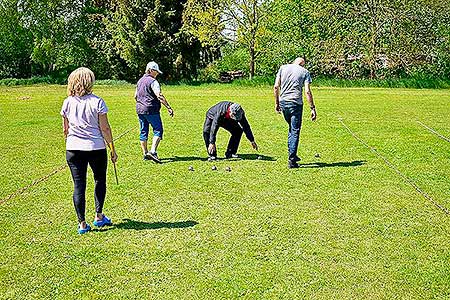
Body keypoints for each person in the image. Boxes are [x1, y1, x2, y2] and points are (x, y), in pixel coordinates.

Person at [61, 67, 118, 234]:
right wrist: (112, 148)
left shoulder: (67, 102)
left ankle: (82, 224)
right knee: (99, 180)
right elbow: (105, 128)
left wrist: (71, 143)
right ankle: (99, 217)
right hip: (95, 148)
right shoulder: (97, 102)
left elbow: (65, 129)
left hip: (73, 149)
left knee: (79, 185)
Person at [274, 57, 317, 168]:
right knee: (295, 130)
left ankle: (292, 153)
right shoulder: (305, 72)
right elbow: (307, 91)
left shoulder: (283, 68)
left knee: (291, 128)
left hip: (284, 102)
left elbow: (276, 86)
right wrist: (312, 108)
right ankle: (292, 159)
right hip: (296, 104)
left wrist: (277, 103)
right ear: (302, 64)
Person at [135, 61, 174, 163]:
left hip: (140, 109)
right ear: (151, 70)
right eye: (156, 71)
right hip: (151, 109)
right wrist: (169, 107)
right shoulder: (153, 82)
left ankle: (145, 153)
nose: (157, 74)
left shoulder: (140, 81)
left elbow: (135, 96)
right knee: (158, 130)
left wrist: (142, 105)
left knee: (143, 131)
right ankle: (153, 152)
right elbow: (159, 96)